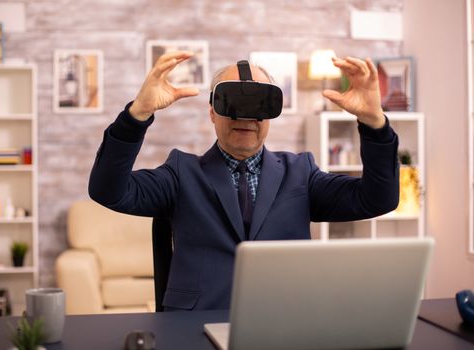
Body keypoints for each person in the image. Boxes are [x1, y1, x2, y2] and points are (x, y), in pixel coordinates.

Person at [89, 51, 399, 311]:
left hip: (283, 324)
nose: (246, 117)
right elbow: (108, 191)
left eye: (258, 106)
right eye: (233, 104)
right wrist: (137, 114)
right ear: (212, 112)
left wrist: (374, 124)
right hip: (196, 326)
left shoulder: (301, 173)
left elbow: (378, 199)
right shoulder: (181, 174)